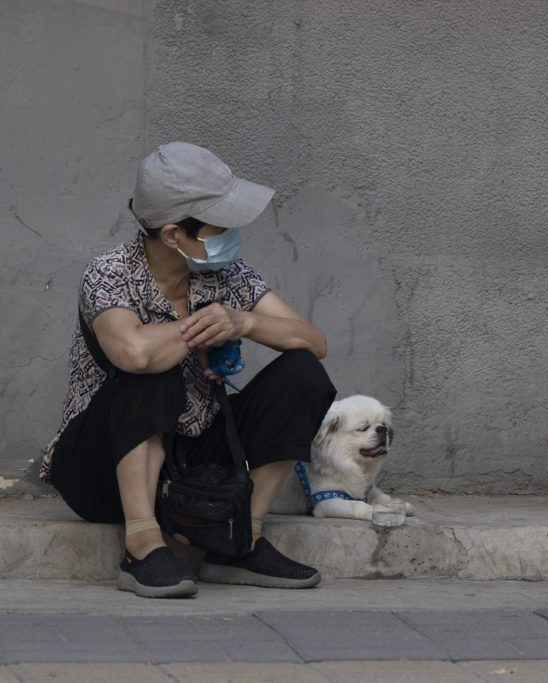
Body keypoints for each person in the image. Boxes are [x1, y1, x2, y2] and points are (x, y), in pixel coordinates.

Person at [41, 142, 337, 598]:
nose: (231, 234)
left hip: (191, 457)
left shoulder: (228, 274)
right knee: (153, 367)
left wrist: (244, 321)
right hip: (101, 467)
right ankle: (141, 544)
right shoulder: (108, 273)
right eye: (220, 226)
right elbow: (134, 352)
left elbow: (313, 341)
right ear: (174, 234)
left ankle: (239, 539)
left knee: (303, 373)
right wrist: (193, 334)